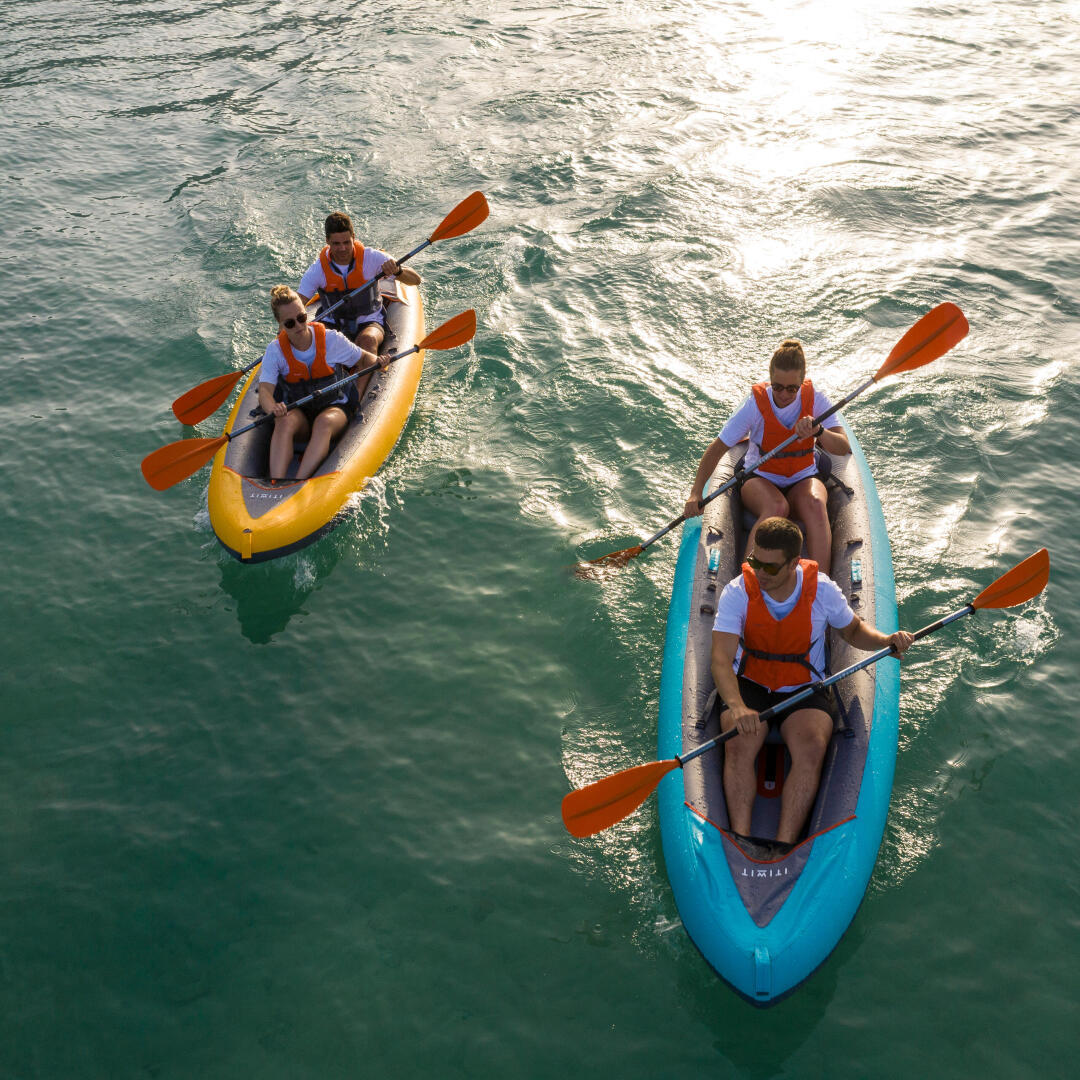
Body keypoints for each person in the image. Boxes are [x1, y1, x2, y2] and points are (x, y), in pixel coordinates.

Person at [711, 517, 913, 847]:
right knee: (738, 743)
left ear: (793, 563)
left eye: (771, 567)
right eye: (755, 562)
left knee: (811, 748)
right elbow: (720, 659)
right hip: (749, 684)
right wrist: (736, 706)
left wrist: (886, 641)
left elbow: (853, 631)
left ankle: (784, 845)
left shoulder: (821, 590)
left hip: (803, 689)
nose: (760, 572)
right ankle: (741, 839)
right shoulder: (737, 592)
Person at [683, 338, 850, 573]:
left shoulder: (816, 399)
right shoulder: (754, 405)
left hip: (803, 477)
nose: (783, 394)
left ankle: (820, 585)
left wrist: (819, 430)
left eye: (792, 388)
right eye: (777, 387)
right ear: (770, 381)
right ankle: (746, 581)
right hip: (760, 477)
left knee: (815, 503)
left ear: (801, 383)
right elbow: (717, 448)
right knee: (777, 507)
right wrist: (695, 492)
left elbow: (843, 447)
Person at [256, 286, 379, 482]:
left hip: (335, 408)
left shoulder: (331, 340)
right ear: (280, 325)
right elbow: (265, 391)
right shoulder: (275, 351)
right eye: (290, 323)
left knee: (323, 423)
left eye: (302, 318)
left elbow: (365, 360)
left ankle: (298, 483)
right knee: (284, 420)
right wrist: (272, 408)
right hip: (301, 415)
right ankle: (276, 483)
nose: (298, 326)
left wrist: (381, 361)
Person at [298, 211, 421, 401]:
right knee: (317, 352)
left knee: (368, 341)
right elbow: (297, 304)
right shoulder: (317, 270)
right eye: (336, 243)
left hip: (369, 321)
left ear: (354, 238)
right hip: (333, 323)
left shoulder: (372, 258)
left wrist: (397, 270)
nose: (342, 248)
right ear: (327, 242)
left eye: (346, 242)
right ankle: (323, 396)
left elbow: (415, 280)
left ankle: (355, 399)